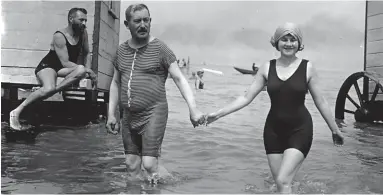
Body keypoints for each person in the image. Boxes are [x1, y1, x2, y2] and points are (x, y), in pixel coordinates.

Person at [205, 22, 344, 193]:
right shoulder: (266, 67)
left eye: (293, 39)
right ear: (277, 42)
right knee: (280, 185)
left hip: (300, 130)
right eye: (284, 39)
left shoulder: (307, 67)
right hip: (273, 132)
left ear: (299, 44)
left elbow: (320, 101)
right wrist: (218, 114)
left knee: (283, 180)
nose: (288, 43)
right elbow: (246, 97)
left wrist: (334, 129)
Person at [105, 3, 205, 184]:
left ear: (150, 21)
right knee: (131, 164)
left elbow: (180, 79)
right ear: (127, 25)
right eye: (137, 21)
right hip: (128, 115)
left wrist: (193, 109)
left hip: (153, 112)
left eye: (146, 20)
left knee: (149, 164)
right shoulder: (121, 51)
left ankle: (170, 185)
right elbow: (115, 82)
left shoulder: (161, 49)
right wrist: (111, 113)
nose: (143, 25)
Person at [9, 7, 97, 130]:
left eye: (86, 20)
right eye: (81, 20)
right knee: (48, 87)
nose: (84, 23)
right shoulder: (59, 36)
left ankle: (53, 91)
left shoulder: (83, 33)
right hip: (48, 66)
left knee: (81, 70)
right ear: (71, 19)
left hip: (63, 68)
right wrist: (88, 71)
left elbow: (87, 53)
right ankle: (16, 111)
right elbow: (65, 62)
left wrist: (86, 70)